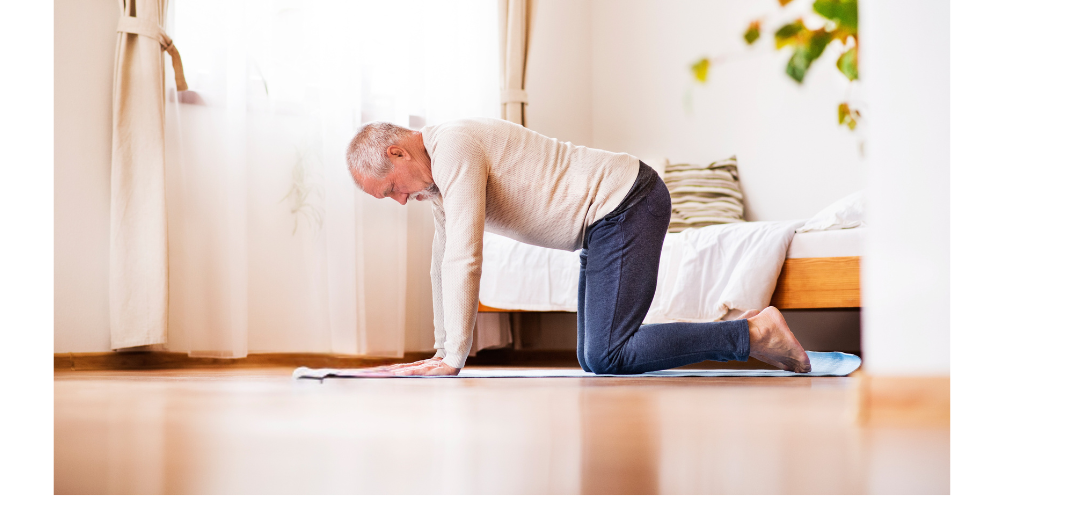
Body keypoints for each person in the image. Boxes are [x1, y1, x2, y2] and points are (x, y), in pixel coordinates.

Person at [345, 118, 811, 377]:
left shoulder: (453, 148)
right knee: (595, 358)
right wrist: (440, 348)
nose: (402, 200)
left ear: (397, 154)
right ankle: (751, 335)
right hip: (601, 224)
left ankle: (753, 334)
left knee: (610, 354)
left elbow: (465, 257)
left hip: (628, 200)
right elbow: (440, 263)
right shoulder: (437, 182)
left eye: (391, 190)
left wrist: (454, 360)